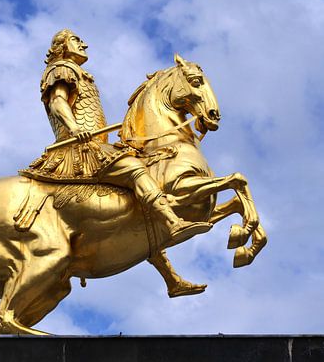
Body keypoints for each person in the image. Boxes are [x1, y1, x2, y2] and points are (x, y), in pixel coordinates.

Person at [21, 28, 212, 243]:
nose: (83, 44)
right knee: (134, 168)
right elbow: (57, 101)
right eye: (76, 40)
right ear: (61, 47)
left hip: (94, 146)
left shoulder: (81, 75)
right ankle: (172, 222)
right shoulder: (61, 69)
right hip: (77, 148)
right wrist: (74, 128)